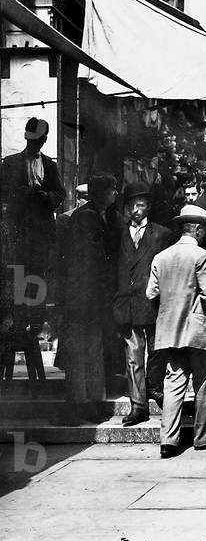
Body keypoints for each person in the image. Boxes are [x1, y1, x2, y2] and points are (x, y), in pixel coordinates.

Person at [146, 203, 206, 457]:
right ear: (195, 229)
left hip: (169, 329)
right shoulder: (202, 257)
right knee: (204, 383)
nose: (203, 234)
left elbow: (151, 292)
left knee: (173, 383)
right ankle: (204, 436)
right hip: (198, 329)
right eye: (202, 230)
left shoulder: (160, 257)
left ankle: (168, 441)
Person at [60, 174, 121, 411]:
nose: (115, 193)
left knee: (92, 346)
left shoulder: (103, 215)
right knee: (82, 348)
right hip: (84, 295)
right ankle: (80, 402)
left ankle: (91, 399)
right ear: (100, 193)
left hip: (90, 296)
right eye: (112, 189)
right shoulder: (87, 217)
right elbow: (90, 260)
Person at [113, 182, 170, 425]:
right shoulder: (118, 234)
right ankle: (138, 406)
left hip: (154, 304)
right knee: (133, 357)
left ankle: (155, 388)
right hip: (128, 304)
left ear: (149, 207)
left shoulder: (162, 234)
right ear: (126, 207)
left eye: (142, 204)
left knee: (157, 353)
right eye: (133, 205)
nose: (137, 209)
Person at [0, 117, 66, 320]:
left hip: (41, 235)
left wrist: (47, 197)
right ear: (26, 138)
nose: (33, 144)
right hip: (18, 232)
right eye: (30, 141)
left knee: (39, 276)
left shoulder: (50, 165)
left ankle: (35, 323)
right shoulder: (10, 163)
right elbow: (2, 191)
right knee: (19, 274)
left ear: (44, 140)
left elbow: (60, 193)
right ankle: (20, 321)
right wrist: (22, 193)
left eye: (37, 141)